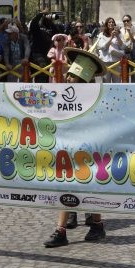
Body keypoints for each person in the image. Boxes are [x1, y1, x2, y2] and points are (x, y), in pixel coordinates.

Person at [44, 46, 108, 248]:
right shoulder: (64, 96)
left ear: (81, 79)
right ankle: (62, 229)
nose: (67, 78)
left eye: (71, 76)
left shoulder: (95, 98)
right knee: (67, 185)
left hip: (88, 148)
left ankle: (96, 224)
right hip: (69, 148)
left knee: (88, 185)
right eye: (68, 75)